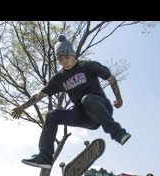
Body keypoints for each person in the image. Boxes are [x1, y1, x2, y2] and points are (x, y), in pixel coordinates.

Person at [11, 35, 131, 169]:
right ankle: (45, 157)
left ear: (73, 54)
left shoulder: (88, 66)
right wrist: (23, 107)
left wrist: (119, 98)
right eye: (61, 60)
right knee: (51, 115)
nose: (65, 62)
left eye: (67, 58)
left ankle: (118, 133)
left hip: (101, 108)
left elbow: (111, 79)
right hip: (85, 118)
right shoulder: (60, 78)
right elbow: (40, 95)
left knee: (87, 99)